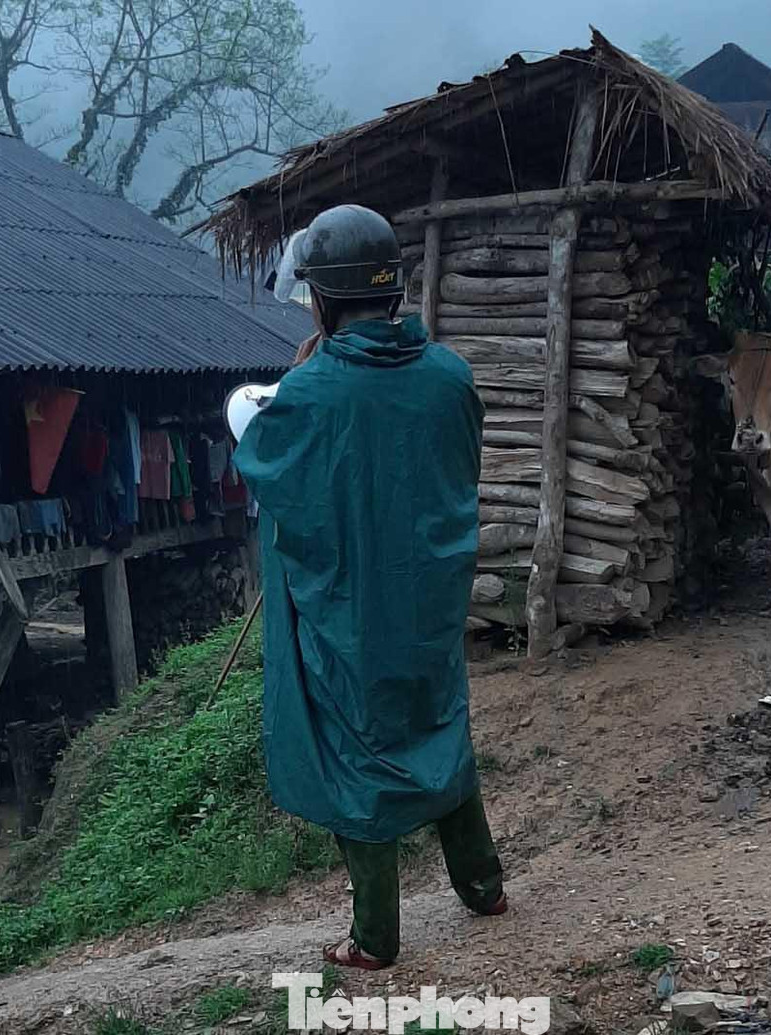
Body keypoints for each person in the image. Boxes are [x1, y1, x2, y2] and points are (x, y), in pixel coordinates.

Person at [233, 204, 505, 971]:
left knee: (358, 749)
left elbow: (266, 464)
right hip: (431, 597)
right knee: (439, 721)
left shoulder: (312, 392)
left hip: (351, 608)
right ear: (392, 290)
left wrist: (293, 384)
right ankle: (483, 885)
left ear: (322, 297)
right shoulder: (450, 377)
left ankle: (375, 935)